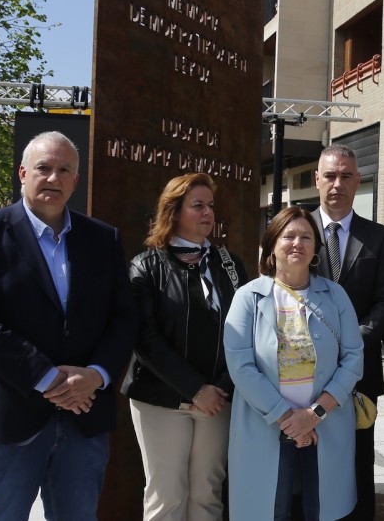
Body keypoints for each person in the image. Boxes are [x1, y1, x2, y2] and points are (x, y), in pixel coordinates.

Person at [0, 131, 137, 520]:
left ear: (76, 180)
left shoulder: (103, 239)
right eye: (43, 168)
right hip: (6, 417)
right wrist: (48, 377)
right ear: (22, 173)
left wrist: (97, 375)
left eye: (64, 170)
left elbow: (124, 317)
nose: (53, 178)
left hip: (83, 418)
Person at [121, 173, 248, 521]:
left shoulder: (229, 264)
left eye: (210, 206)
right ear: (174, 211)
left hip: (218, 402)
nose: (208, 213)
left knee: (208, 494)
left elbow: (247, 330)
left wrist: (219, 388)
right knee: (167, 497)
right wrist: (195, 389)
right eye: (198, 206)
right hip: (161, 399)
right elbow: (145, 339)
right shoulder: (145, 266)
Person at [224, 206, 364, 520]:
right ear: (272, 245)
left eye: (306, 237)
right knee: (269, 508)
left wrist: (314, 414)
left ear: (316, 248)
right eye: (288, 236)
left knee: (319, 508)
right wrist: (289, 419)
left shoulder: (336, 296)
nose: (297, 243)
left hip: (326, 424)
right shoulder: (249, 297)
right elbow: (240, 365)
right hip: (265, 426)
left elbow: (354, 358)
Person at [311, 144, 384, 521]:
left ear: (358, 181)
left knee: (357, 466)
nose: (337, 184)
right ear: (317, 179)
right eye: (330, 175)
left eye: (346, 176)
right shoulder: (296, 230)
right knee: (307, 463)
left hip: (360, 375)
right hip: (302, 372)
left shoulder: (378, 237)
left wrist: (348, 346)